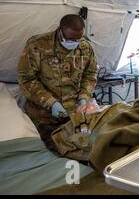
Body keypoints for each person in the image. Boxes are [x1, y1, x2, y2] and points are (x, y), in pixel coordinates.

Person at [17, 14, 98, 151]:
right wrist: (51, 103)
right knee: (57, 150)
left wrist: (84, 97)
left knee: (91, 145)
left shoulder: (85, 47)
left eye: (78, 39)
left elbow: (90, 74)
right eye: (70, 39)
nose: (75, 42)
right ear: (60, 31)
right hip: (44, 116)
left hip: (74, 114)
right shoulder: (37, 46)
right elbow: (26, 79)